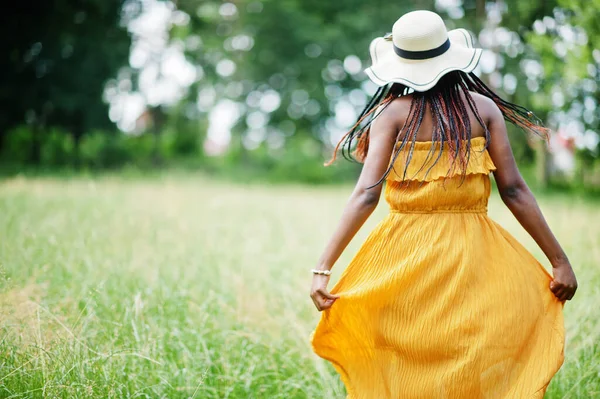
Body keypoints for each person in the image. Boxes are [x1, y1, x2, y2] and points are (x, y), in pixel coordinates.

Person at [309, 10, 577, 399]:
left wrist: (323, 267)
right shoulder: (483, 110)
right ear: (451, 57)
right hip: (475, 254)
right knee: (470, 352)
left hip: (403, 254)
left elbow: (366, 194)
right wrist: (558, 260)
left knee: (407, 354)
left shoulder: (391, 114)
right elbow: (515, 190)